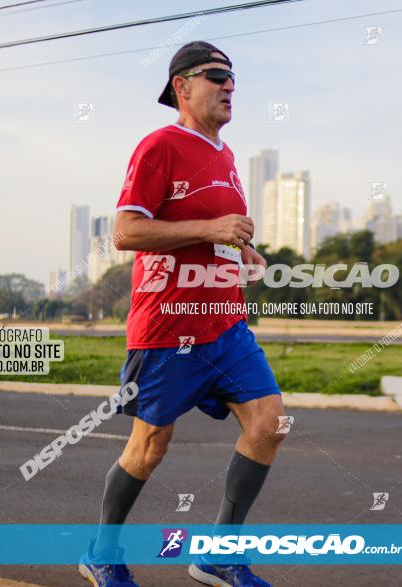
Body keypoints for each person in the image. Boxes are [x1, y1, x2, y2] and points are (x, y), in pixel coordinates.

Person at [78, 41, 285, 587]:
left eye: (234, 79)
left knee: (269, 425)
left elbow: (219, 228)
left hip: (226, 326)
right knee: (148, 448)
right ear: (182, 86)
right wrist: (212, 230)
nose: (230, 87)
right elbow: (125, 232)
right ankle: (101, 552)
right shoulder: (159, 146)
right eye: (216, 76)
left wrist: (243, 252)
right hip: (168, 330)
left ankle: (220, 554)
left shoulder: (227, 156)